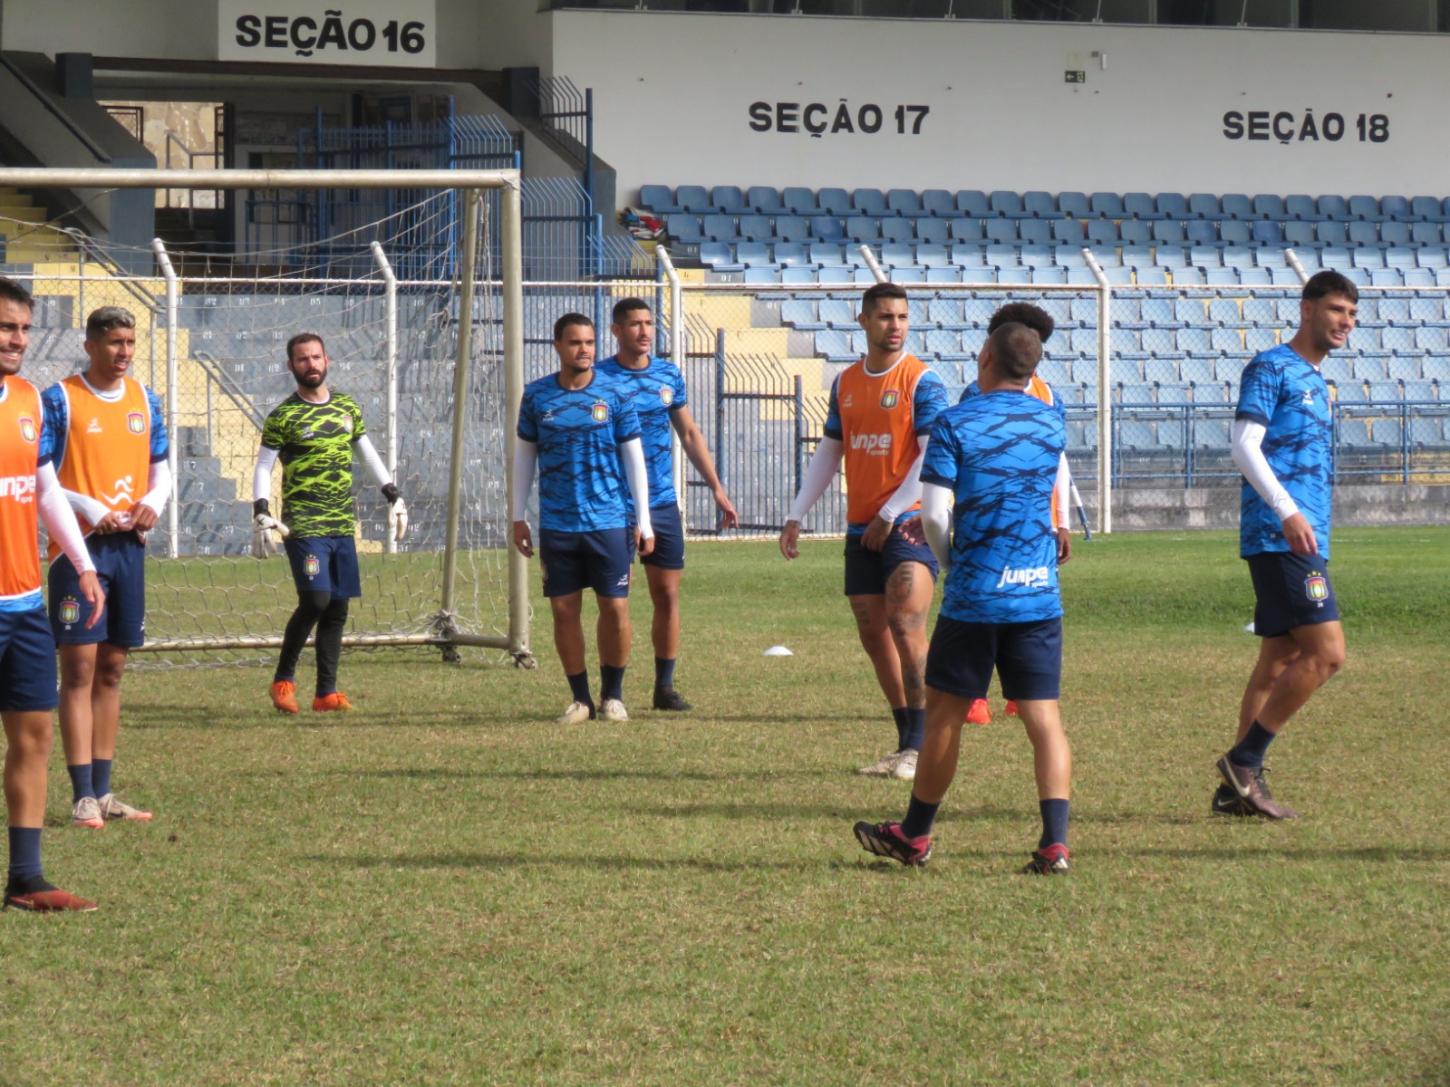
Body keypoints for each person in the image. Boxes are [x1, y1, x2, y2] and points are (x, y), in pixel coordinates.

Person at [854, 322, 1074, 874]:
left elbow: (932, 514)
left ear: (985, 357)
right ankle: (1055, 845)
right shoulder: (1051, 420)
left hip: (977, 594)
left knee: (947, 715)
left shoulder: (955, 422)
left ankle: (916, 835)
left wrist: (952, 563)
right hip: (1037, 593)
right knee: (1043, 718)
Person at [779, 282, 948, 782]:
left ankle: (922, 745)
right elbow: (832, 449)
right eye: (884, 317)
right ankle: (905, 741)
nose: (894, 326)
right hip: (861, 526)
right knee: (873, 633)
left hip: (910, 522)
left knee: (906, 623)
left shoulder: (922, 381)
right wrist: (796, 513)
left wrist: (892, 512)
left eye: (901, 317)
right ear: (863, 321)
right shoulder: (846, 383)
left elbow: (930, 455)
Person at [1213, 270, 1354, 819]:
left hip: (1299, 533)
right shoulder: (1272, 367)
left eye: (1352, 315)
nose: (1346, 322)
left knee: (1279, 657)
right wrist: (1287, 509)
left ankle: (1235, 793)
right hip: (1281, 534)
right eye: (1338, 310)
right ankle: (1244, 759)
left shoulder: (1316, 379)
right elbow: (1243, 446)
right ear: (1307, 309)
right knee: (1327, 653)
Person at [42, 307, 169, 827]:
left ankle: (106, 790)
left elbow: (162, 471)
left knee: (112, 670)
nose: (124, 353)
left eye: (131, 343)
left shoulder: (145, 400)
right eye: (115, 342)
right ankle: (81, 796)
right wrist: (91, 508)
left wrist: (154, 504)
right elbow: (41, 478)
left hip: (128, 550)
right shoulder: (60, 399)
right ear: (90, 345)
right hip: (79, 551)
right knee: (78, 670)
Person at [0, 276, 103, 910]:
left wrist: (82, 562)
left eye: (23, 329)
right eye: (6, 327)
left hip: (25, 604)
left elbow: (42, 490)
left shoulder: (27, 400)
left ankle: (26, 879)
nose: (17, 340)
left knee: (33, 736)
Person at [252, 332, 408, 714]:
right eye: (302, 359)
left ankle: (326, 693)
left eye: (316, 357)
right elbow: (263, 465)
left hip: (341, 523)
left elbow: (367, 454)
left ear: (328, 361)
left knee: (337, 607)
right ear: (291, 366)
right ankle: (282, 681)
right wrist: (260, 510)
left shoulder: (347, 408)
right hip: (303, 526)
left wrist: (393, 494)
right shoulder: (283, 416)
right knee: (316, 599)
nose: (311, 364)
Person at [597, 298, 738, 711]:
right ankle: (613, 691)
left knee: (668, 595)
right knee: (615, 598)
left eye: (648, 324)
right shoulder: (601, 378)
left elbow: (689, 433)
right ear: (616, 331)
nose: (643, 331)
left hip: (661, 501)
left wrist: (716, 486)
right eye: (634, 324)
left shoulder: (668, 375)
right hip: (614, 504)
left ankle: (664, 686)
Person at [512, 313, 654, 724]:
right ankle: (580, 699)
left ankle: (614, 696)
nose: (585, 350)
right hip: (558, 523)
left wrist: (643, 520)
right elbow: (524, 456)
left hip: (609, 520)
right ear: (557, 345)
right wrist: (518, 516)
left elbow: (634, 458)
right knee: (563, 610)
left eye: (590, 342)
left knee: (615, 608)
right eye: (576, 343)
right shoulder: (538, 397)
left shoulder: (615, 394)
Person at [957, 302, 1074, 724]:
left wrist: (1061, 521)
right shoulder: (976, 394)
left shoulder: (1049, 398)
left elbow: (1057, 460)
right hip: (988, 525)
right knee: (982, 605)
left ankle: (1020, 693)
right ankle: (974, 695)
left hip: (1034, 525)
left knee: (1027, 605)